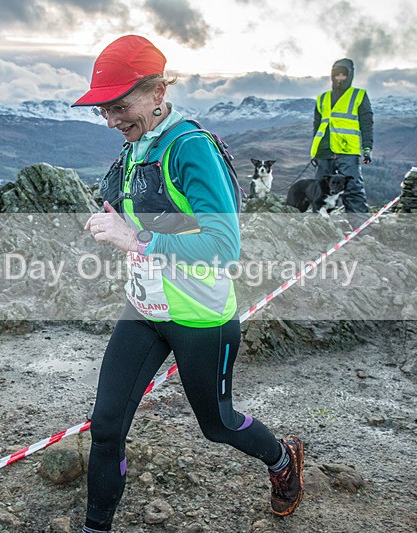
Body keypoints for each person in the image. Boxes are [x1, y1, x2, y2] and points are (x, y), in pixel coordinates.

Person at [72, 34, 304, 532]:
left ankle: (283, 459)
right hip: (145, 312)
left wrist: (138, 240)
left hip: (202, 318)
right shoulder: (137, 148)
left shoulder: (189, 148)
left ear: (158, 91)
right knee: (106, 425)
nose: (111, 121)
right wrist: (115, 224)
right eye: (103, 111)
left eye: (119, 106)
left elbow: (224, 244)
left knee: (217, 424)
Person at [311, 58, 374, 232]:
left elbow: (366, 123)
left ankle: (362, 231)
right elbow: (317, 127)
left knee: (353, 190)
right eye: (337, 74)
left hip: (347, 152)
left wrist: (367, 148)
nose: (340, 78)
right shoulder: (322, 98)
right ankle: (319, 229)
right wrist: (315, 152)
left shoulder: (359, 95)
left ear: (350, 76)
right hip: (324, 152)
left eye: (343, 74)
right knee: (320, 191)